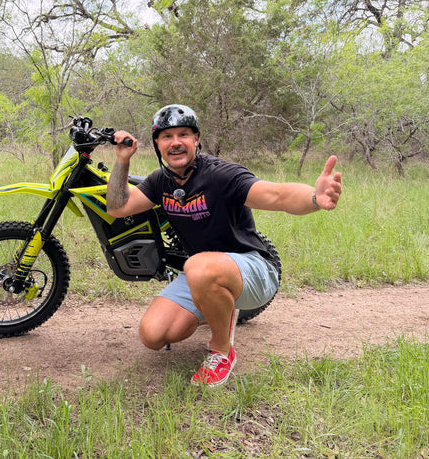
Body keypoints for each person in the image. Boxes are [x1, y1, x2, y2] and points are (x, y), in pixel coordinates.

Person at [106, 104, 342, 387]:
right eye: (167, 136)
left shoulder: (220, 175)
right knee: (153, 335)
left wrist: (314, 198)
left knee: (198, 266)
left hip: (254, 270)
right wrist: (122, 160)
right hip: (204, 272)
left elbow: (277, 195)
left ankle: (221, 351)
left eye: (184, 134)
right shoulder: (161, 181)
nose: (176, 142)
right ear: (157, 144)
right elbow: (118, 207)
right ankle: (220, 304)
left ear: (197, 139)